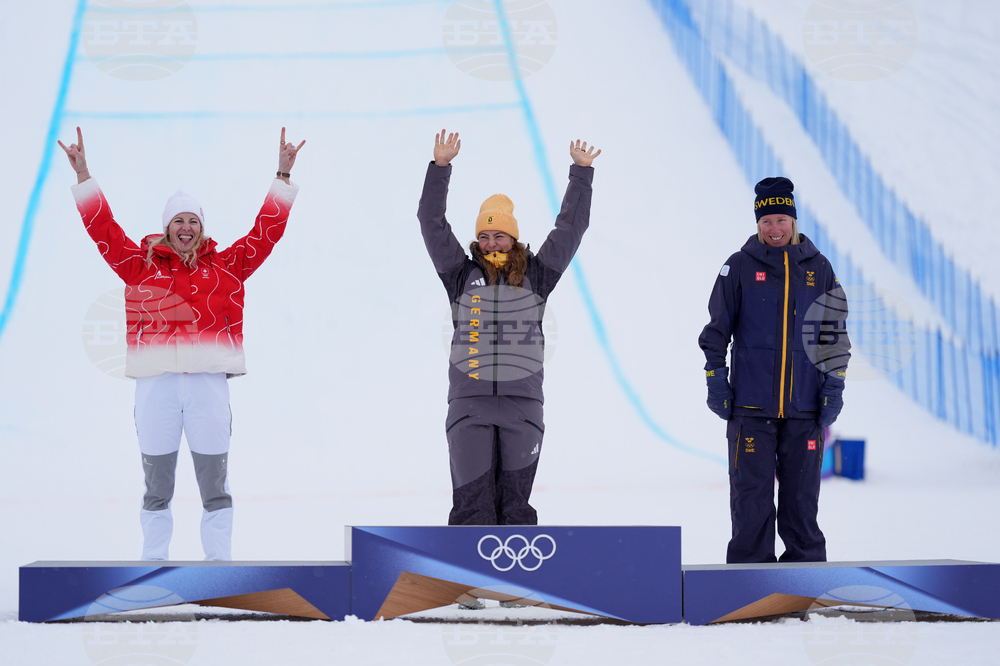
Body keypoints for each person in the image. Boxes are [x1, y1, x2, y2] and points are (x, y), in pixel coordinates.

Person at [58, 126, 305, 561]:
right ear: (167, 228)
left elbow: (266, 232)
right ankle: (153, 563)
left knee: (215, 484)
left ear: (202, 228)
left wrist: (282, 176)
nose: (186, 227)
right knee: (157, 485)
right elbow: (105, 231)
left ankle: (219, 566)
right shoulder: (139, 266)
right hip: (156, 386)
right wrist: (84, 176)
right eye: (179, 220)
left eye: (193, 220)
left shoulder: (228, 266)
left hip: (208, 385)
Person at [419, 129, 600, 526]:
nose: (489, 242)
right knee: (472, 509)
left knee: (516, 510)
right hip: (470, 406)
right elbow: (431, 223)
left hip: (522, 406)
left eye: (498, 234)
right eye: (483, 235)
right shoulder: (459, 274)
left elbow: (570, 230)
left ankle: (515, 588)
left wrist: (581, 175)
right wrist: (441, 168)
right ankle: (466, 587)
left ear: (513, 236)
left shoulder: (537, 274)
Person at [699, 177, 850, 564]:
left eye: (781, 219)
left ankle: (802, 585)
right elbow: (716, 333)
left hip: (804, 410)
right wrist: (716, 379)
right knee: (751, 503)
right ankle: (750, 588)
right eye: (766, 221)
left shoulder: (819, 268)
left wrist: (834, 387)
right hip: (751, 411)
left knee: (802, 506)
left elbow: (834, 337)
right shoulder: (738, 267)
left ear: (794, 221)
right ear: (757, 223)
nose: (774, 229)